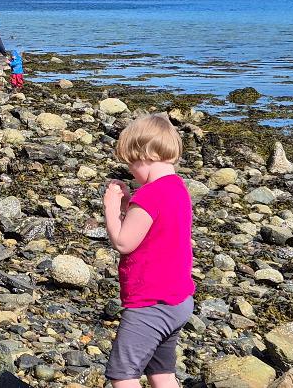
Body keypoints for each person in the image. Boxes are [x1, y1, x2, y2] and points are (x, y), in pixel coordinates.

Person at [101, 115, 195, 388]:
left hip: (151, 304)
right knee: (161, 373)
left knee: (123, 375)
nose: (131, 172)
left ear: (144, 155)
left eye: (131, 164)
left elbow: (123, 242)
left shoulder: (149, 195)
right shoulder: (177, 189)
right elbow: (153, 229)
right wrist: (128, 207)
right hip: (178, 301)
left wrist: (110, 208)